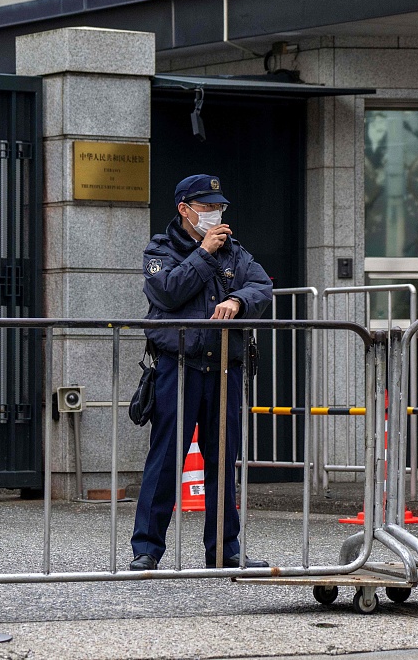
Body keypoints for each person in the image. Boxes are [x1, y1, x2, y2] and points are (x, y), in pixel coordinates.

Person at [130, 174, 273, 571]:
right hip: (179, 368)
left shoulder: (236, 252)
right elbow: (168, 291)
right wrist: (205, 253)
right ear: (184, 210)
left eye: (219, 208)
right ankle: (146, 550)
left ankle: (225, 550)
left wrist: (239, 301)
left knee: (223, 461)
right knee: (165, 460)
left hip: (225, 368)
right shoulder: (161, 249)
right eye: (207, 208)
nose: (215, 215)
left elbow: (261, 285)